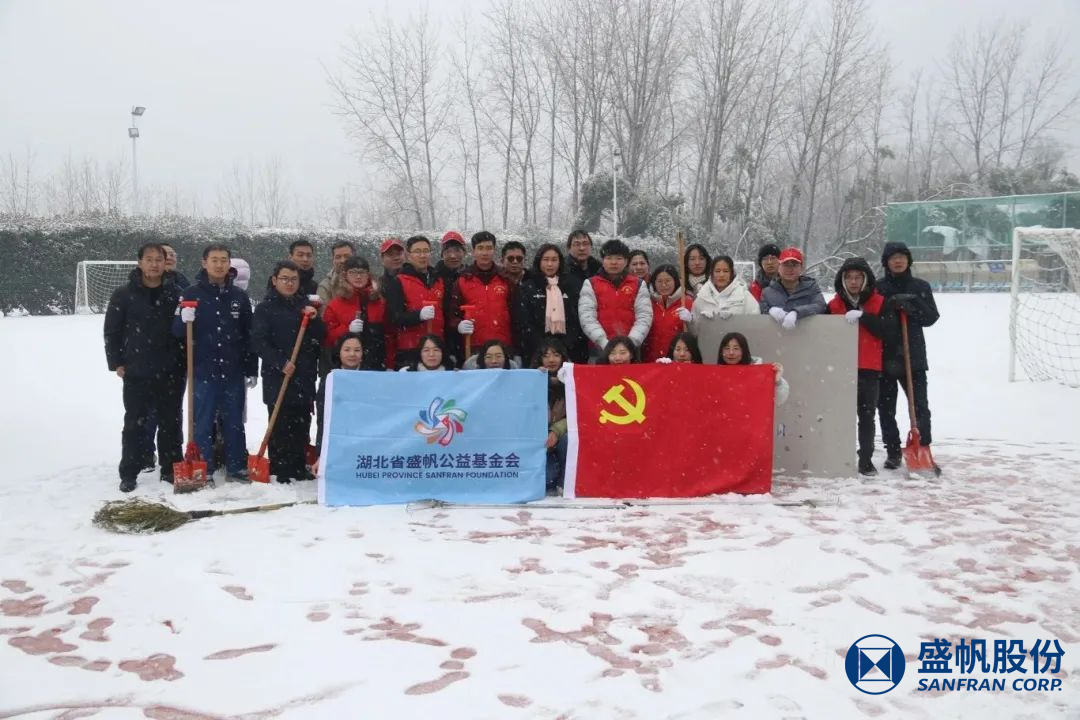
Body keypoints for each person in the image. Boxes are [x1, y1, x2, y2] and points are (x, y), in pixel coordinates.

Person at [173, 243, 258, 482]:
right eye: (214, 260)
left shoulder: (239, 296)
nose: (219, 265)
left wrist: (252, 368)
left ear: (229, 264)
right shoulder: (191, 293)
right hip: (203, 370)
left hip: (233, 370)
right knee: (202, 421)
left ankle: (236, 466)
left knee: (234, 420)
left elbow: (248, 335)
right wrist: (183, 319)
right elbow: (177, 331)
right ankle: (204, 467)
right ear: (204, 263)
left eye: (223, 260)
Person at [104, 242, 185, 492]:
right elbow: (112, 331)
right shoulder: (124, 294)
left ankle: (171, 468)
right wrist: (116, 362)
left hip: (170, 369)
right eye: (149, 259)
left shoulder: (177, 293)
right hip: (137, 369)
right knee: (134, 422)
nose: (154, 264)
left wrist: (183, 361)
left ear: (165, 262)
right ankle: (130, 471)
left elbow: (185, 333)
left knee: (171, 421)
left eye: (159, 259)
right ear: (140, 262)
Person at [251, 261, 325, 484]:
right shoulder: (265, 308)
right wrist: (280, 362)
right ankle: (280, 467)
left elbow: (320, 336)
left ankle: (298, 465)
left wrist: (315, 319)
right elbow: (259, 341)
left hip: (303, 374)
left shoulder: (305, 307)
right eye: (285, 279)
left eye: (293, 279)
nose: (289, 283)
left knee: (301, 421)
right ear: (275, 280)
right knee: (279, 422)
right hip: (278, 376)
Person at [876, 241, 940, 473]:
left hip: (913, 355)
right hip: (886, 355)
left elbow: (931, 317)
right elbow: (873, 319)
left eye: (902, 257)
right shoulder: (878, 288)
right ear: (886, 262)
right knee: (886, 407)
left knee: (920, 405)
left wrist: (912, 305)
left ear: (908, 260)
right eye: (893, 257)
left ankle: (922, 445)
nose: (898, 261)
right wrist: (890, 306)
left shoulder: (920, 286)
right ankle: (893, 450)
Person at [827, 257, 886, 477]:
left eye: (858, 277)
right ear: (842, 280)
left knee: (867, 416)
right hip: (841, 368)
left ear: (865, 279)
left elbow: (886, 330)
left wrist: (864, 317)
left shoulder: (879, 302)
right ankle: (838, 457)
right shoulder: (833, 306)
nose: (853, 282)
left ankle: (866, 459)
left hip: (869, 368)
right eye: (849, 277)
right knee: (840, 415)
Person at [578, 239, 653, 358]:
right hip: (599, 348)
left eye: (618, 258)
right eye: (609, 258)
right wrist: (604, 343)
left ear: (626, 261)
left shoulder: (638, 284)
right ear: (602, 261)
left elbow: (644, 316)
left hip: (631, 350)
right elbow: (587, 317)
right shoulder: (591, 284)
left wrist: (630, 344)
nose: (613, 262)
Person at [450, 231, 515, 366]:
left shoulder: (506, 278)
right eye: (480, 248)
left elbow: (517, 316)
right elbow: (452, 313)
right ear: (473, 251)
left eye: (488, 248)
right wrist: (458, 325)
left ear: (494, 250)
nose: (485, 253)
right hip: (474, 347)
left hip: (503, 347)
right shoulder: (462, 280)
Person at [384, 236, 448, 369]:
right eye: (417, 251)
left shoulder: (439, 280)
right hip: (411, 349)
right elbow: (394, 317)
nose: (422, 255)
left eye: (426, 251)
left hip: (436, 350)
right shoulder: (398, 281)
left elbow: (446, 314)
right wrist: (418, 316)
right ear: (408, 255)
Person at [515, 243, 581, 364]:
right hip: (535, 350)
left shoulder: (571, 285)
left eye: (554, 260)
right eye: (546, 260)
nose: (550, 264)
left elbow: (576, 320)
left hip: (567, 349)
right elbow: (524, 321)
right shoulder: (528, 287)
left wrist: (563, 346)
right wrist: (543, 346)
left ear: (560, 262)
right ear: (539, 261)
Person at [322, 256, 387, 371]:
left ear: (368, 275)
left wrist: (389, 364)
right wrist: (347, 330)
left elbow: (389, 335)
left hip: (376, 364)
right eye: (353, 272)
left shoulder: (379, 303)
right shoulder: (335, 305)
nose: (358, 277)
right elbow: (327, 337)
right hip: (346, 366)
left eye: (362, 272)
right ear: (345, 275)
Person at [315, 332, 366, 459]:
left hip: (365, 444)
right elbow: (323, 419)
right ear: (339, 352)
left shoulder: (371, 378)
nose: (352, 354)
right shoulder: (330, 379)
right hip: (337, 442)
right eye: (347, 350)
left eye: (357, 350)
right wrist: (321, 453)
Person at [689, 254, 760, 336]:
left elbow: (755, 324)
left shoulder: (744, 296)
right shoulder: (702, 297)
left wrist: (733, 321)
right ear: (712, 273)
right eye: (717, 271)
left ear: (731, 273)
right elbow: (694, 332)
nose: (721, 275)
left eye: (726, 271)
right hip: (709, 343)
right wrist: (692, 321)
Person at [760, 247, 827, 329]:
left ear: (801, 268)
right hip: (776, 336)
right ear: (779, 268)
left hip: (806, 335)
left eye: (794, 265)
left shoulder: (811, 288)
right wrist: (770, 310)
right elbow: (760, 314)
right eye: (786, 265)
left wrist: (797, 312)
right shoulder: (767, 292)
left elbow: (820, 306)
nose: (790, 269)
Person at [535, 337, 569, 495]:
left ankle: (565, 480)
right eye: (546, 356)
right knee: (547, 480)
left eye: (556, 355)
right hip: (540, 440)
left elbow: (577, 414)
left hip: (561, 436)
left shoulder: (571, 381)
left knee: (569, 439)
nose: (551, 360)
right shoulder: (531, 381)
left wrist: (556, 430)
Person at [717, 332, 789, 405]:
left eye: (736, 348)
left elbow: (777, 400)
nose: (731, 352)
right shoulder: (715, 376)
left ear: (744, 351)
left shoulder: (760, 375)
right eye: (727, 348)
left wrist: (777, 382)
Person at [642, 264, 692, 363]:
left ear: (675, 281)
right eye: (659, 281)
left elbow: (695, 332)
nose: (664, 285)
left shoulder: (686, 302)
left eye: (668, 281)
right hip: (651, 359)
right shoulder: (648, 303)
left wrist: (690, 321)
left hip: (677, 359)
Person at [378, 237, 405, 370]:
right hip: (386, 340)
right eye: (390, 254)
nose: (396, 258)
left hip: (408, 338)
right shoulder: (378, 285)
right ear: (382, 259)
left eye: (398, 254)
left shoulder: (412, 279)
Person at [316, 240, 356, 309]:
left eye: (347, 256)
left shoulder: (366, 281)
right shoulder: (325, 286)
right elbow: (325, 312)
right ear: (333, 260)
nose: (342, 261)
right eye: (338, 257)